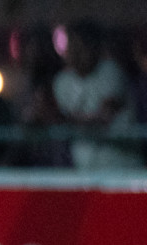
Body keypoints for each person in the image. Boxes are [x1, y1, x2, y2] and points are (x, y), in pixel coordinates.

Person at [54, 20, 142, 170]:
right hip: (84, 171)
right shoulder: (62, 82)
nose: (75, 53)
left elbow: (103, 118)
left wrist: (60, 117)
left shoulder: (111, 72)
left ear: (94, 47)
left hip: (121, 170)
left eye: (80, 46)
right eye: (71, 46)